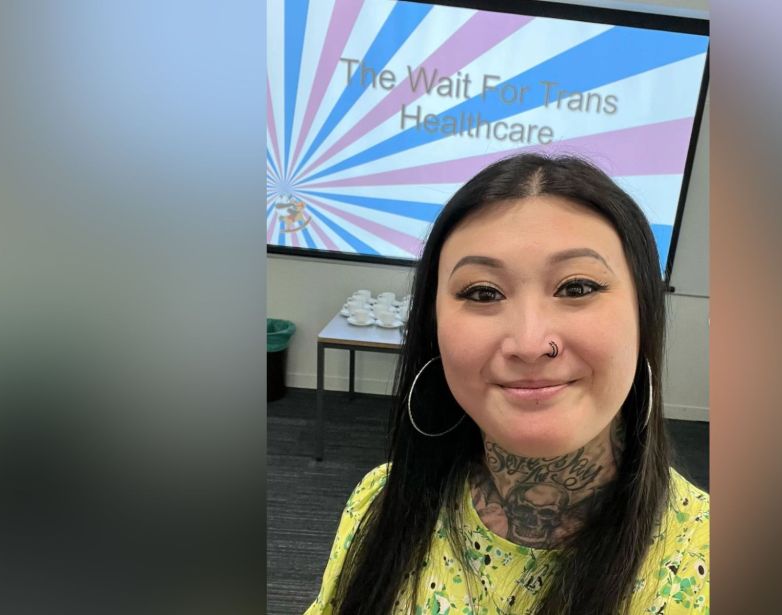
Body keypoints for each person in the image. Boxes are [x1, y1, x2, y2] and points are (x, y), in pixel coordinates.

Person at [304, 154, 709, 615]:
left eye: (576, 288)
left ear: (643, 316)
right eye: (482, 293)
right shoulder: (378, 503)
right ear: (433, 327)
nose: (531, 343)